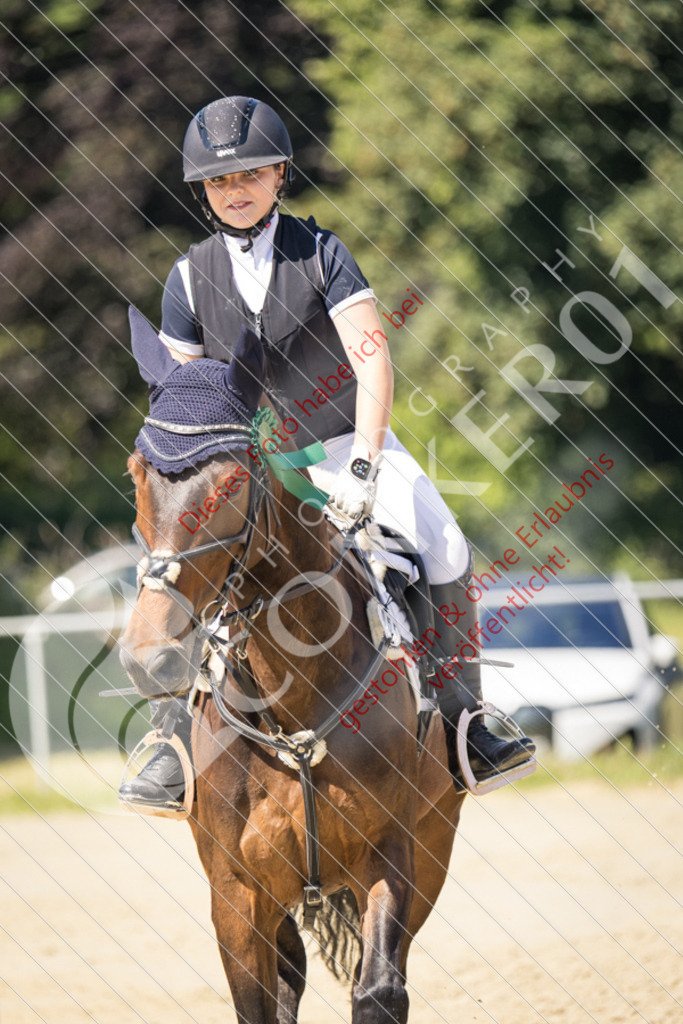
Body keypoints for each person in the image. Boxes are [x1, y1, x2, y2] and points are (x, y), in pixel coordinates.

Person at [120, 96, 534, 813]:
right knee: (175, 564)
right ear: (205, 192)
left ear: (279, 174)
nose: (236, 190)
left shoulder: (323, 255)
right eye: (220, 182)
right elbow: (182, 393)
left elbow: (372, 366)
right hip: (249, 470)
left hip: (345, 444)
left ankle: (466, 719)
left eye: (249, 174)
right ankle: (169, 743)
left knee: (444, 543)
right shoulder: (187, 276)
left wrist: (369, 466)